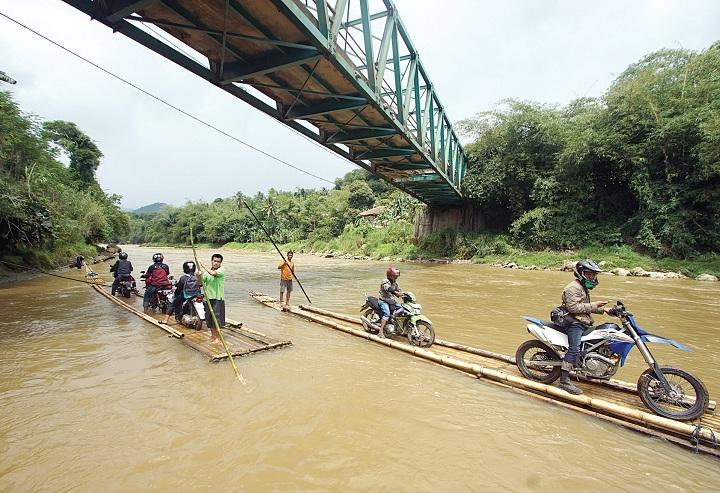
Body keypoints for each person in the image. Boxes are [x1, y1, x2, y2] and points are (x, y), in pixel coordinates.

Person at [557, 259, 610, 395]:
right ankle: (563, 381)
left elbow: (585, 308)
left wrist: (606, 310)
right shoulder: (573, 288)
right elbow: (574, 308)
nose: (592, 277)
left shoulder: (582, 287)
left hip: (583, 321)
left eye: (593, 275)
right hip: (574, 323)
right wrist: (595, 305)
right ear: (581, 273)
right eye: (589, 274)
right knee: (574, 349)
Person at [163, 260, 202, 324]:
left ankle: (165, 320)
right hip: (197, 294)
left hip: (186, 295)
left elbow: (179, 287)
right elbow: (201, 285)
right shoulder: (197, 276)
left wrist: (177, 291)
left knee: (173, 304)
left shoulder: (183, 278)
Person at [198, 253, 225, 343]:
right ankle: (213, 336)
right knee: (209, 318)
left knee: (216, 319)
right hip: (208, 298)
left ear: (220, 263)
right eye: (214, 261)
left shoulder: (221, 270)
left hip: (218, 298)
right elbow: (200, 284)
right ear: (212, 261)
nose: (216, 263)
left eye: (218, 262)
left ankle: (217, 338)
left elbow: (213, 273)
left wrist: (204, 266)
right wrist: (198, 275)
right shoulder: (206, 273)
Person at [378, 267, 403, 339]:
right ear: (390, 275)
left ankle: (397, 326)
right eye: (395, 276)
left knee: (402, 308)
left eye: (397, 276)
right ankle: (381, 332)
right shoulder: (385, 281)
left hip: (392, 301)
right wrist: (396, 293)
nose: (396, 277)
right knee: (387, 314)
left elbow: (399, 290)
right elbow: (388, 288)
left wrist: (404, 294)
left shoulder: (395, 283)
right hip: (383, 301)